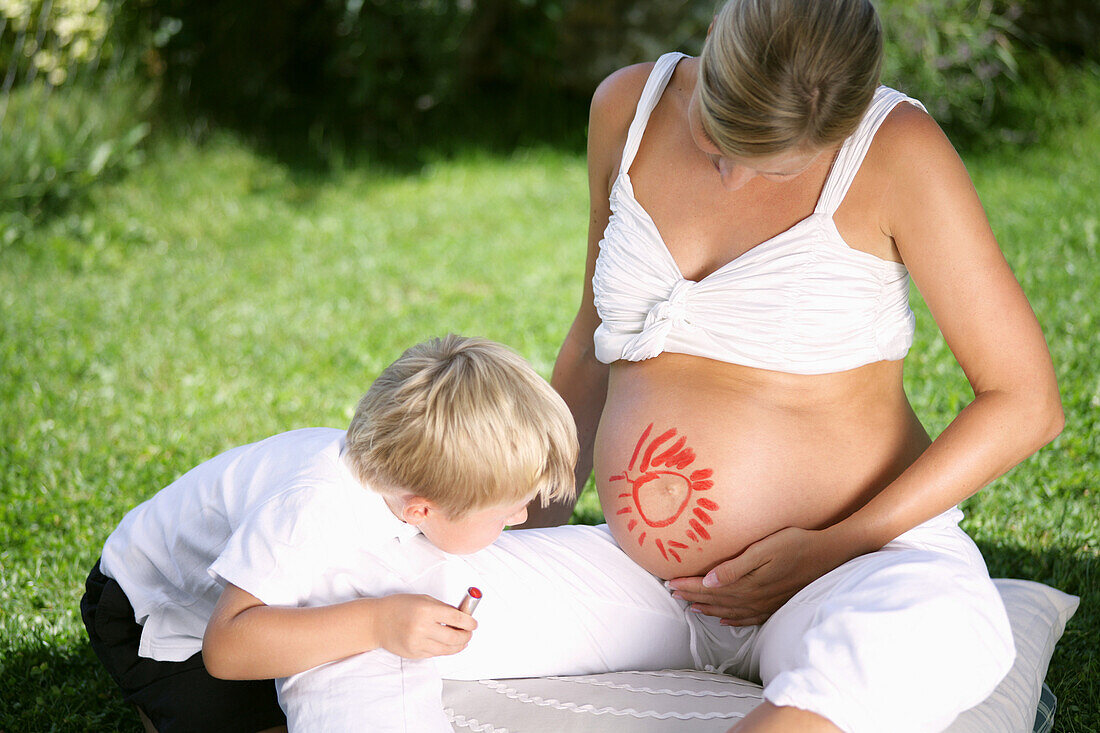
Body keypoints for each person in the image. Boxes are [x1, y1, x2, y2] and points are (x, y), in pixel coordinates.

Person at [522, 0, 1063, 730]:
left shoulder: (898, 148)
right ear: (715, 39)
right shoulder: (628, 105)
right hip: (647, 582)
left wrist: (836, 544)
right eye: (718, 139)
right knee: (404, 574)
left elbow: (1023, 401)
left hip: (850, 571)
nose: (733, 174)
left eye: (767, 157)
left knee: (920, 633)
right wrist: (519, 534)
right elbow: (594, 336)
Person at [79, 335, 578, 733]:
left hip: (238, 601)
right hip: (154, 612)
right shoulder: (310, 511)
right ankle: (155, 699)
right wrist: (379, 623)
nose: (519, 518)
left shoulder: (389, 480)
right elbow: (226, 648)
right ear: (421, 509)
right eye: (506, 511)